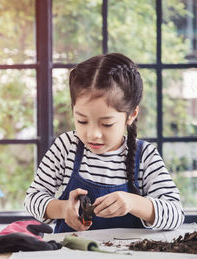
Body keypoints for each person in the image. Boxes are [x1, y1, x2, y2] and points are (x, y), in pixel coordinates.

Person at [24, 53, 185, 233]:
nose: (93, 134)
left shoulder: (146, 156)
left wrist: (134, 203)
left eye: (106, 124)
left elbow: (176, 214)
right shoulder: (65, 147)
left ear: (131, 115)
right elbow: (32, 199)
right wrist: (64, 209)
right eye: (82, 121)